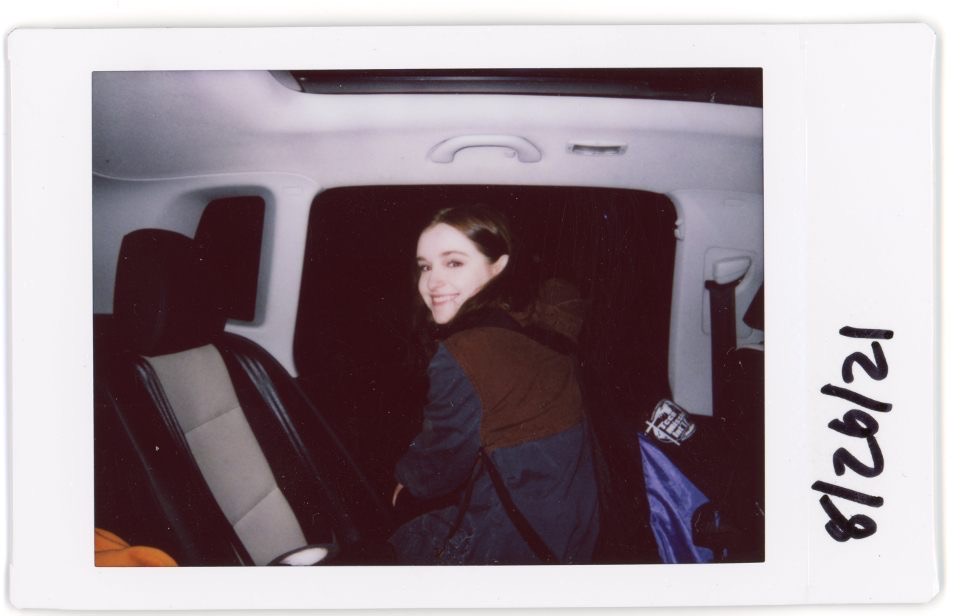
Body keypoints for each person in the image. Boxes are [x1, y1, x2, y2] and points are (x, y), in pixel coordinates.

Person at [388, 204, 599, 565]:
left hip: (519, 534)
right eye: (425, 266)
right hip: (574, 521)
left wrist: (406, 480)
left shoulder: (467, 350)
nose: (432, 282)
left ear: (498, 265)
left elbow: (441, 460)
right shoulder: (530, 319)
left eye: (454, 262)